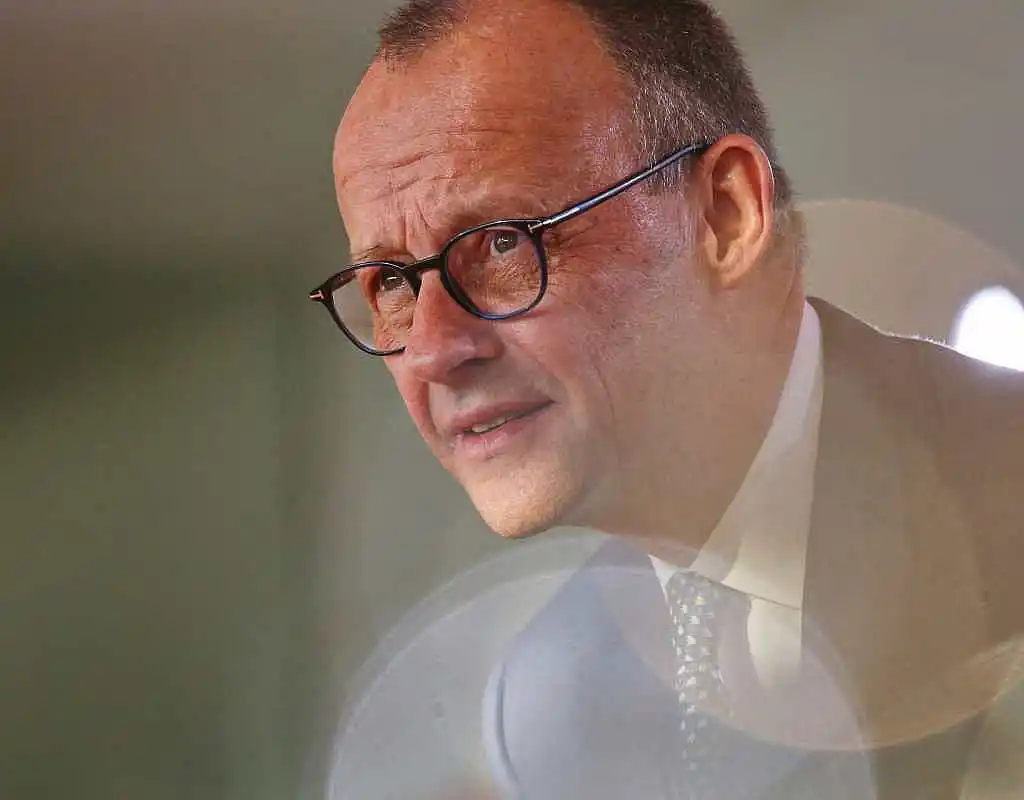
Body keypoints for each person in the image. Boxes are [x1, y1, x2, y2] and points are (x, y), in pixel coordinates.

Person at [310, 0, 1024, 796]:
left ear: (726, 216)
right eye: (390, 284)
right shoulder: (542, 696)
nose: (434, 351)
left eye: (503, 242)